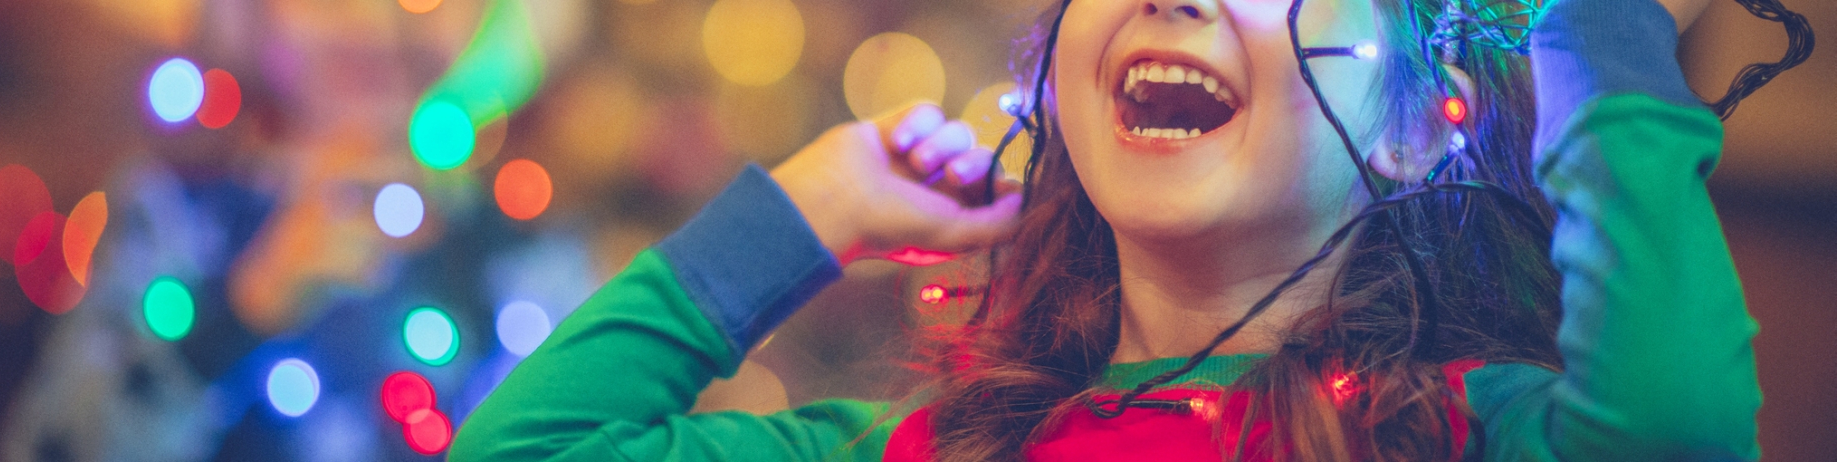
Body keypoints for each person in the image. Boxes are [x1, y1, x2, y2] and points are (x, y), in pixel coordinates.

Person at [452, 0, 1757, 460]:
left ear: (1423, 130)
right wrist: (818, 204)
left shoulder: (1472, 430)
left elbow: (1675, 427)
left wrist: (1601, 20)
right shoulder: (917, 446)